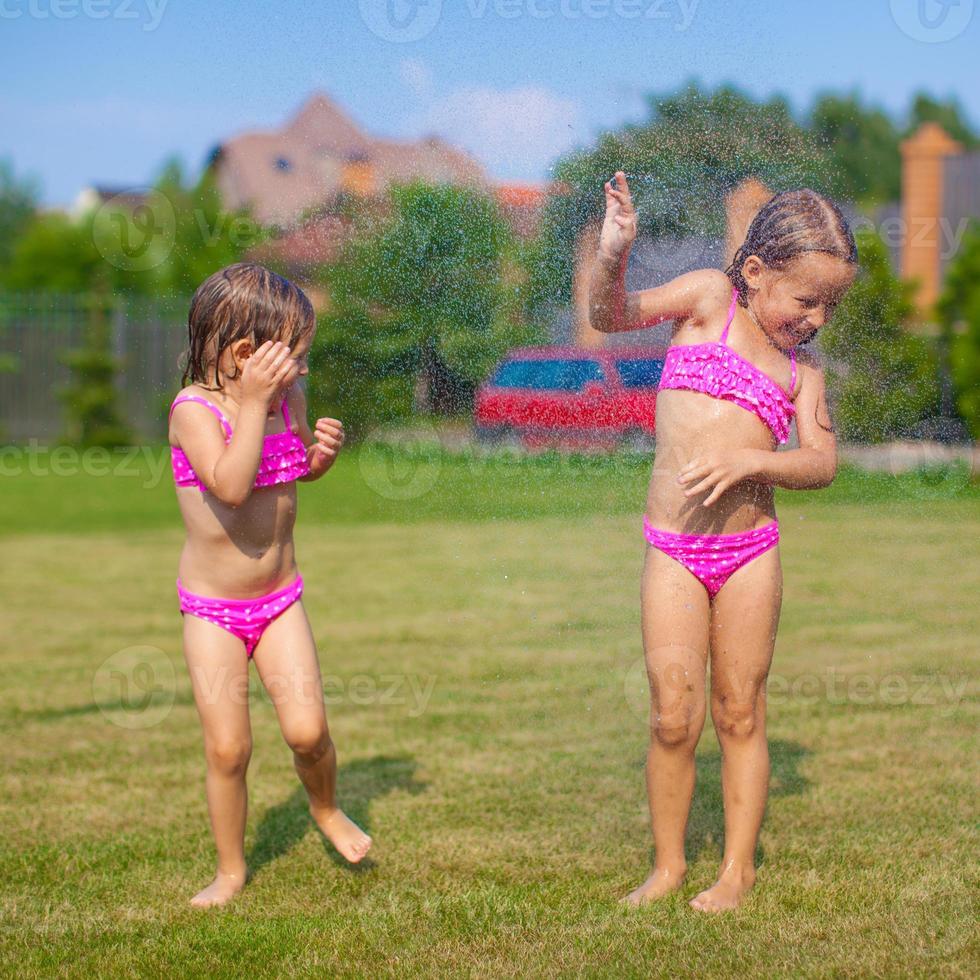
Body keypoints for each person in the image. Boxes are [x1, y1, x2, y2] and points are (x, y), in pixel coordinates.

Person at [589, 173, 857, 912]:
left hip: (750, 557)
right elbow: (609, 315)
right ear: (755, 272)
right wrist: (614, 255)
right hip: (674, 548)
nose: (817, 320)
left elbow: (822, 462)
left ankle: (736, 871)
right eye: (807, 301)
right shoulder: (707, 300)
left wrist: (753, 461)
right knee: (673, 713)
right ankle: (669, 866)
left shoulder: (802, 377)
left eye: (830, 306)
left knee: (740, 711)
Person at [168, 262, 372, 908]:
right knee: (229, 747)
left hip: (279, 601)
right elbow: (231, 485)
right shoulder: (193, 412)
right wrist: (254, 404)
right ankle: (231, 870)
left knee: (309, 731)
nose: (304, 370)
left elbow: (286, 474)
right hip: (214, 611)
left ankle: (327, 808)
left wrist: (317, 461)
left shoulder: (286, 402)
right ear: (244, 354)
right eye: (296, 356)